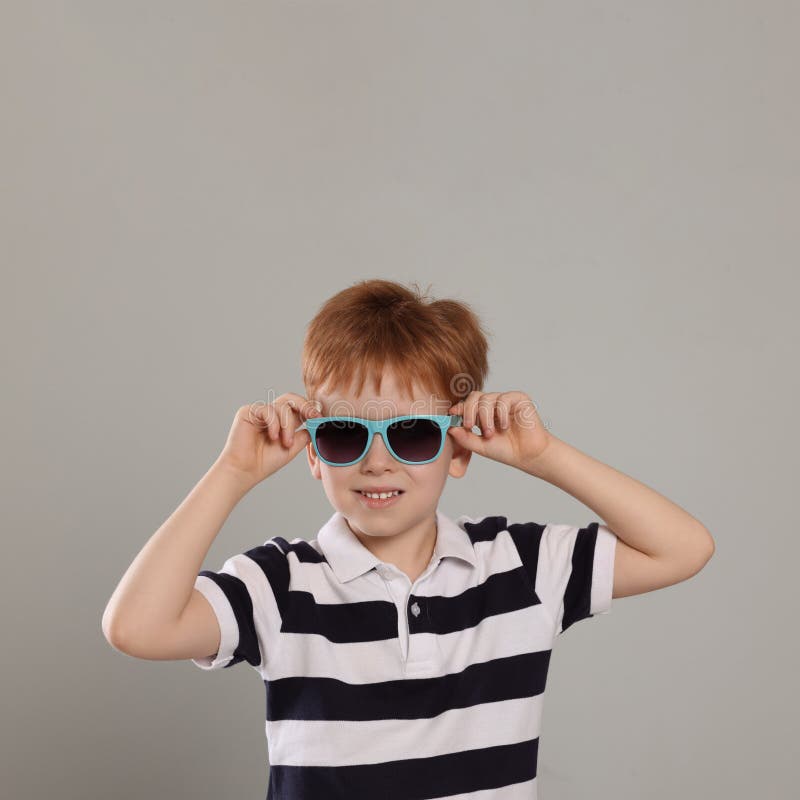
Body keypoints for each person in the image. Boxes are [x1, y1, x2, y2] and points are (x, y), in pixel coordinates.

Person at [101, 278, 715, 799]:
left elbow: (683, 548)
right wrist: (232, 473)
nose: (377, 462)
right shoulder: (278, 584)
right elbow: (136, 627)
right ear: (313, 452)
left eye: (413, 434)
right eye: (345, 434)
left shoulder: (522, 567)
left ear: (459, 449)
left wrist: (543, 455)